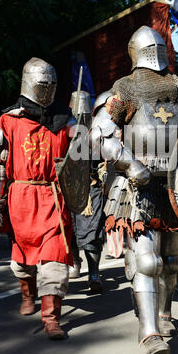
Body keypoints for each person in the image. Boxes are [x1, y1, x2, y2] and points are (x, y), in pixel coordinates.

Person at [90, 25, 178, 354]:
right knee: (147, 260)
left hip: (174, 186)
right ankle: (149, 333)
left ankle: (165, 313)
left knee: (171, 262)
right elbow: (101, 135)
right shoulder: (124, 89)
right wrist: (130, 165)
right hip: (138, 186)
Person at [0, 57, 75, 340]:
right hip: (21, 199)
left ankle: (51, 318)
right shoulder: (7, 122)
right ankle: (28, 293)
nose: (48, 90)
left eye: (52, 84)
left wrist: (88, 123)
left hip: (52, 196)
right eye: (42, 84)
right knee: (22, 260)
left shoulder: (65, 120)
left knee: (55, 259)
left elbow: (85, 150)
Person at [69, 90, 105, 293]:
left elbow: (106, 160)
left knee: (92, 233)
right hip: (68, 188)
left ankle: (94, 273)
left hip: (91, 189)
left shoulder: (98, 132)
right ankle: (75, 261)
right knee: (70, 231)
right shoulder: (64, 129)